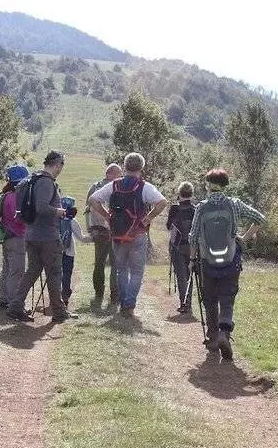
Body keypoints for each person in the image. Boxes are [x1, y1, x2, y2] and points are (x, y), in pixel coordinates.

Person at [189, 168, 265, 360]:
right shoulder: (234, 204)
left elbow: (193, 236)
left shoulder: (201, 207)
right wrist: (243, 238)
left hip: (207, 260)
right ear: (225, 185)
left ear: (208, 185)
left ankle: (213, 337)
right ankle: (224, 332)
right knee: (227, 297)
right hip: (231, 260)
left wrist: (191, 260)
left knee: (209, 299)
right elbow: (260, 219)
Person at [88, 152, 168, 317]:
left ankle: (123, 301)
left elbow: (93, 200)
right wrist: (148, 218)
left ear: (125, 166)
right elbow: (162, 202)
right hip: (137, 233)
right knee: (137, 272)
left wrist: (107, 216)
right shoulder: (144, 186)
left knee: (121, 270)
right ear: (141, 167)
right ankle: (129, 305)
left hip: (117, 234)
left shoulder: (114, 185)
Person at [7, 150, 78, 323]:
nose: (61, 169)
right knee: (54, 273)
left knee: (32, 271)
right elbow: (41, 207)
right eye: (62, 165)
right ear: (57, 164)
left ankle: (15, 307)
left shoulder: (31, 180)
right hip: (47, 236)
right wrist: (60, 212)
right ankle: (59, 312)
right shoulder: (46, 182)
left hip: (31, 234)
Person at [84, 163, 122, 304]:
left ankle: (99, 293)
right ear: (112, 173)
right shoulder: (118, 187)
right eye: (119, 174)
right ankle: (115, 295)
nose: (121, 177)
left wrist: (90, 228)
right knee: (115, 264)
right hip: (115, 230)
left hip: (99, 230)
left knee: (99, 263)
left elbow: (87, 209)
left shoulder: (94, 187)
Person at [0, 164, 30, 312]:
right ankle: (15, 304)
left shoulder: (6, 195)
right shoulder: (16, 197)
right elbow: (19, 219)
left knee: (7, 270)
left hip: (7, 237)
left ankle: (4, 300)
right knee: (16, 272)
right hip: (17, 237)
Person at [165, 181, 196, 315]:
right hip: (192, 247)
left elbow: (168, 226)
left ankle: (184, 304)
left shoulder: (174, 208)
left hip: (177, 246)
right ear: (192, 194)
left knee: (181, 276)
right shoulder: (196, 209)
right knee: (189, 275)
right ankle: (188, 303)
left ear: (179, 193)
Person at [59, 196, 92, 307]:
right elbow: (82, 238)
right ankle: (65, 296)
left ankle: (55, 296)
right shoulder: (72, 221)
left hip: (55, 251)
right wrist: (95, 237)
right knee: (67, 274)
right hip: (69, 252)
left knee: (56, 273)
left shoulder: (54, 219)